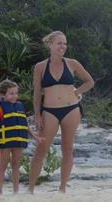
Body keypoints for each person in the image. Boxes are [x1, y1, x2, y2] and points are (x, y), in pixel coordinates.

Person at [29, 31, 95, 193]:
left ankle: (62, 188)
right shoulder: (40, 67)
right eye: (59, 43)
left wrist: (76, 92)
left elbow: (89, 82)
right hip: (49, 111)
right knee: (41, 149)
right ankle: (30, 188)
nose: (63, 46)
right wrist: (37, 115)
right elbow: (37, 94)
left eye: (65, 43)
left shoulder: (72, 63)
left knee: (68, 149)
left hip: (71, 110)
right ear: (50, 44)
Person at [0, 80, 43, 194]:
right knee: (3, 166)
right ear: (3, 95)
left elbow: (25, 125)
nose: (14, 96)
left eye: (16, 93)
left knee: (16, 166)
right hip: (6, 142)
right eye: (11, 93)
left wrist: (35, 137)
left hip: (18, 141)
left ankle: (16, 191)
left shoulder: (20, 106)